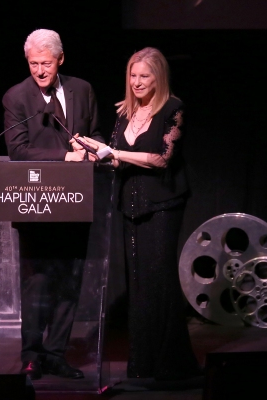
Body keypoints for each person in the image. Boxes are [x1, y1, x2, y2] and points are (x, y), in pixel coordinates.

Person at [83, 47, 201, 381]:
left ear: (158, 77)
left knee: (159, 281)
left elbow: (162, 158)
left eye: (144, 76)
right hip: (130, 206)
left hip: (162, 205)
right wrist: (96, 152)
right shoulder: (124, 113)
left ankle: (172, 367)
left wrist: (114, 151)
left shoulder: (172, 108)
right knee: (138, 284)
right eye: (133, 75)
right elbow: (119, 160)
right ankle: (143, 365)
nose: (137, 82)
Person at [1, 28, 103, 380]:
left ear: (60, 59)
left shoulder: (83, 89)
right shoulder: (16, 97)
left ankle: (57, 353)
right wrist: (65, 156)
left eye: (46, 63)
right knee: (38, 282)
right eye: (33, 64)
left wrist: (91, 147)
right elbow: (18, 150)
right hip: (36, 203)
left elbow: (97, 132)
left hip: (76, 200)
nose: (40, 71)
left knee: (69, 280)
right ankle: (31, 355)